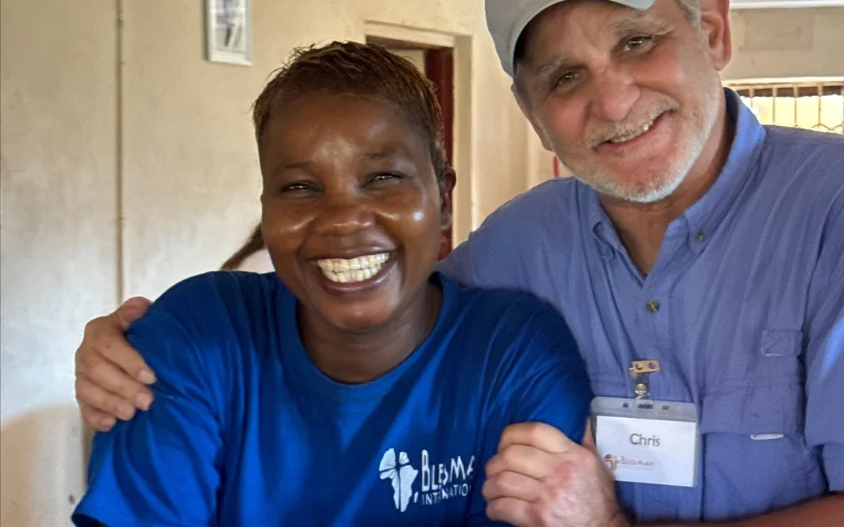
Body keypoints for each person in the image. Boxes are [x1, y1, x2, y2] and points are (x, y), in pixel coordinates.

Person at [75, 0, 844, 525]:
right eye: (562, 77)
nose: (612, 97)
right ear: (529, 113)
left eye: (638, 41)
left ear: (712, 29)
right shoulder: (526, 247)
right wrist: (142, 343)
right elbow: (368, 280)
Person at [71, 41, 592, 526]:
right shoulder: (197, 335)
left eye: (383, 178)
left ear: (444, 200)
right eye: (300, 187)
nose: (342, 219)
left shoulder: (514, 353)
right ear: (266, 212)